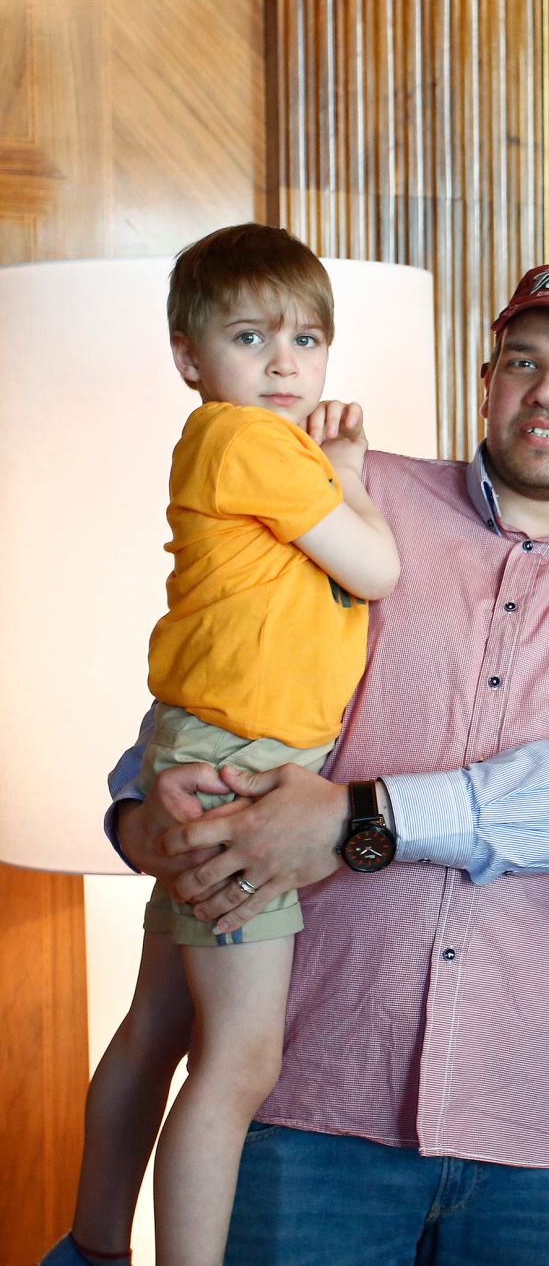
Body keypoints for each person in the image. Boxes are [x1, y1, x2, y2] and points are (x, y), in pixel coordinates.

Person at [97, 264, 549, 1264]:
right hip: (313, 1117)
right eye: (523, 361)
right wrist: (138, 815)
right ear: (486, 380)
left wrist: (360, 814)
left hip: (536, 1137)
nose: (548, 391)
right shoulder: (358, 492)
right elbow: (231, 666)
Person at [45, 224, 401, 1266]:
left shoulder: (249, 446)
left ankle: (97, 1245)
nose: (286, 363)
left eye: (306, 337)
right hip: (240, 765)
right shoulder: (248, 442)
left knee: (158, 1022)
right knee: (239, 1063)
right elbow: (375, 569)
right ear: (188, 355)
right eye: (251, 337)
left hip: (203, 741)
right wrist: (349, 471)